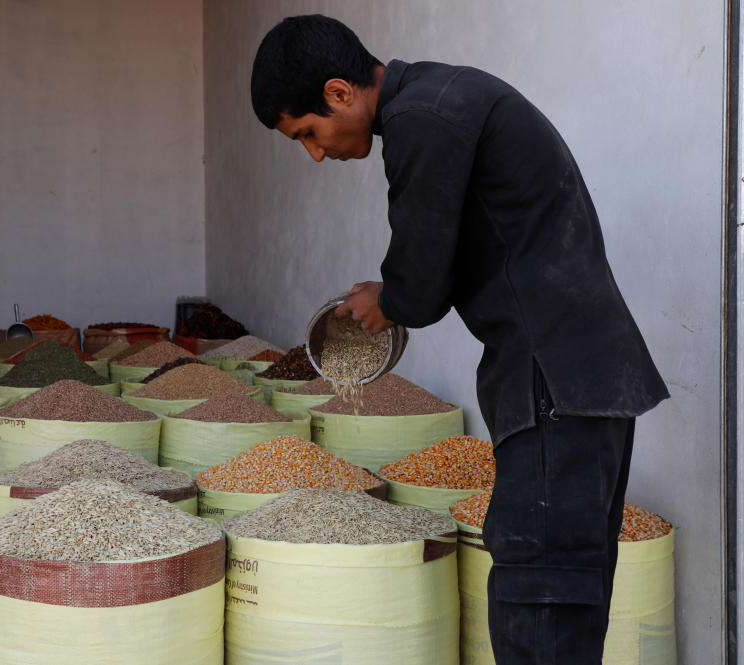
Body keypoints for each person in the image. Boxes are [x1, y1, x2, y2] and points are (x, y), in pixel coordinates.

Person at [251, 14, 669, 665]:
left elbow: (418, 288)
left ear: (339, 92)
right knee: (564, 611)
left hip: (552, 385)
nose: (314, 151)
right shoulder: (445, 97)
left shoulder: (424, 118)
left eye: (308, 132)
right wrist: (392, 293)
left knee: (540, 618)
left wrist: (384, 299)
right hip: (577, 380)